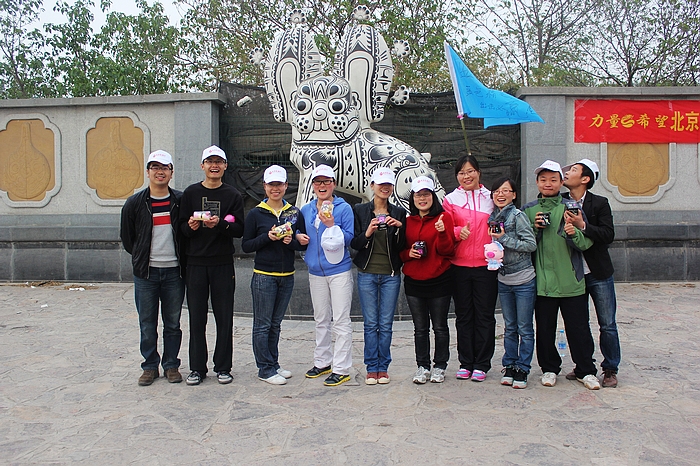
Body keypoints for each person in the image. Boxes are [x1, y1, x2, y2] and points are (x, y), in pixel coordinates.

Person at [522, 160, 599, 390]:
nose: (548, 184)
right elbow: (523, 245)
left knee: (579, 328)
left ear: (560, 182)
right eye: (543, 180)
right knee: (545, 329)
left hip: (571, 281)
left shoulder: (571, 207)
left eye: (553, 179)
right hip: (543, 283)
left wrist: (572, 233)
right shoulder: (528, 210)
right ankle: (549, 368)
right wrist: (535, 229)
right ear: (537, 182)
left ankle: (586, 370)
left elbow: (586, 243)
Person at [178, 145, 244, 386]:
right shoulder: (191, 193)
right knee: (196, 318)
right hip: (195, 264)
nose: (214, 166)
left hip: (222, 264)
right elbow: (181, 228)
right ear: (202, 165)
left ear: (225, 166)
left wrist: (221, 225)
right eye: (210, 161)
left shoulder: (233, 195)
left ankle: (223, 367)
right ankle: (197, 368)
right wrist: (190, 226)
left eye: (218, 162)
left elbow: (239, 229)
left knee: (224, 318)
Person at [120, 150, 186, 386]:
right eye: (155, 167)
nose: (160, 172)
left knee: (173, 323)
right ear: (147, 172)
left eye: (164, 167)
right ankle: (149, 366)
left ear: (171, 172)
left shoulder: (180, 201)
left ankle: (171, 365)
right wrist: (141, 257)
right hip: (146, 273)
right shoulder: (135, 203)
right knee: (147, 323)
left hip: (174, 272)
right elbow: (128, 239)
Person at [241, 165, 303, 385]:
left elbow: (301, 243)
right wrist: (267, 237)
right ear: (264, 186)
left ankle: (273, 363)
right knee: (263, 324)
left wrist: (291, 241)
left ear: (286, 185)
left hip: (287, 275)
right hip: (264, 276)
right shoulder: (256, 213)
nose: (275, 188)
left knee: (275, 324)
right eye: (271, 185)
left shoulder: (294, 212)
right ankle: (265, 369)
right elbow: (246, 246)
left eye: (279, 184)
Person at [562, 158, 620, 388]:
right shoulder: (561, 201)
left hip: (598, 273)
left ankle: (610, 368)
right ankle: (584, 365)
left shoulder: (599, 203)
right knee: (579, 323)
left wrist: (582, 225)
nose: (567, 173)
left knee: (607, 323)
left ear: (585, 179)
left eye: (573, 170)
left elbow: (608, 235)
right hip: (573, 273)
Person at [296, 165, 355, 387]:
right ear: (312, 185)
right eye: (318, 182)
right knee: (321, 319)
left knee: (341, 320)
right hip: (315, 271)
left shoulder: (344, 208)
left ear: (334, 184)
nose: (322, 186)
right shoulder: (306, 209)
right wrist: (299, 237)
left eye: (326, 181)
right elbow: (299, 232)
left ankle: (341, 368)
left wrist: (331, 226)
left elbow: (349, 238)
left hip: (339, 271)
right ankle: (322, 362)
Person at [442, 155, 497, 382]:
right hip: (459, 266)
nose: (467, 176)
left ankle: (482, 364)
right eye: (462, 173)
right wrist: (457, 232)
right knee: (464, 316)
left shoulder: (491, 198)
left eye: (470, 171)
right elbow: (444, 229)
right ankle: (466, 362)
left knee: (485, 315)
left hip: (487, 266)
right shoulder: (450, 199)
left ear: (478, 173)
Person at [351, 168, 406, 385]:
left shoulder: (398, 212)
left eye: (388, 185)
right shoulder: (360, 210)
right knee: (370, 323)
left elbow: (402, 247)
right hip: (367, 273)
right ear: (372, 185)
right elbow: (354, 243)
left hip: (391, 275)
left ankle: (383, 368)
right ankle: (371, 367)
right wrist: (368, 232)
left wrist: (399, 228)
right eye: (381, 184)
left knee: (385, 323)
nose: (385, 188)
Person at [400, 176, 456, 384]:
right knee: (420, 328)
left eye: (426, 194)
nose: (422, 199)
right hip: (414, 281)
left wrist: (442, 233)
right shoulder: (408, 222)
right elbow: (400, 251)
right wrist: (408, 254)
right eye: (418, 195)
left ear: (433, 196)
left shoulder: (444, 218)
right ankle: (422, 366)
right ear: (413, 198)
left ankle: (440, 365)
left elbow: (448, 251)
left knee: (440, 326)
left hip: (439, 279)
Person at [487, 177, 537, 389]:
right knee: (509, 327)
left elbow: (531, 244)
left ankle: (522, 368)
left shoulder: (518, 216)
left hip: (523, 278)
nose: (500, 194)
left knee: (524, 327)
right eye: (497, 191)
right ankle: (509, 365)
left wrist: (504, 238)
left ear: (514, 195)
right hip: (503, 278)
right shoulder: (492, 217)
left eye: (505, 191)